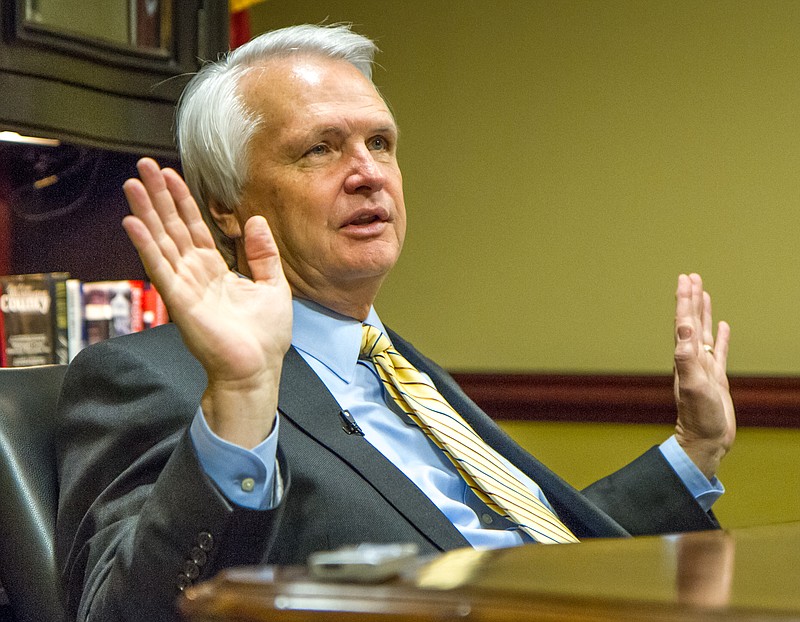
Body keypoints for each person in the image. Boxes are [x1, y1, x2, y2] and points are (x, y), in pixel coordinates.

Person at [54, 23, 735, 622]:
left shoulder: (399, 367)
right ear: (226, 205)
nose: (368, 174)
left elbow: (515, 553)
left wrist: (692, 451)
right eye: (320, 149)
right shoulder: (149, 377)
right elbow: (122, 612)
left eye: (381, 143)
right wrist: (238, 400)